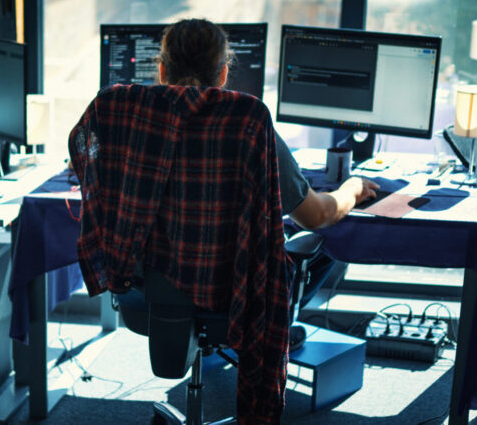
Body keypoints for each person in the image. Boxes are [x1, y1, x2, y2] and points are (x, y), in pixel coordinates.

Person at [156, 19, 379, 345]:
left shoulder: (130, 126)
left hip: (150, 291)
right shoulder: (248, 124)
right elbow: (315, 216)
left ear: (162, 72)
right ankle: (268, 332)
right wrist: (351, 190)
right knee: (325, 238)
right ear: (222, 75)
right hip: (237, 295)